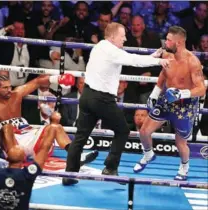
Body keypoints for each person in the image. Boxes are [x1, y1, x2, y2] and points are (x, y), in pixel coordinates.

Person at [62, 22, 171, 185]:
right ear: (113, 37)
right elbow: (132, 60)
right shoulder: (111, 50)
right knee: (122, 130)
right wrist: (158, 62)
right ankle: (110, 167)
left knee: (80, 136)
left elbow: (128, 57)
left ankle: (69, 175)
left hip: (87, 96)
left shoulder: (100, 46)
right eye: (122, 36)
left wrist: (152, 57)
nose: (125, 39)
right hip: (102, 99)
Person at [0, 73, 97, 167]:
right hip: (6, 140)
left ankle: (76, 157)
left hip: (25, 133)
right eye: (5, 88)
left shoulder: (16, 95)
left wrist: (57, 79)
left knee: (55, 127)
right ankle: (14, 160)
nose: (9, 90)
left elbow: (37, 81)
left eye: (10, 87)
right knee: (7, 127)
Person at [133, 26, 206, 181]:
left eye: (168, 40)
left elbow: (201, 89)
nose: (165, 42)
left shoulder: (192, 62)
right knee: (144, 131)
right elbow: (164, 73)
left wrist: (182, 93)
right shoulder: (166, 53)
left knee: (180, 142)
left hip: (185, 105)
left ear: (178, 43)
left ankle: (184, 166)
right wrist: (154, 94)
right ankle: (148, 154)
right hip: (167, 99)